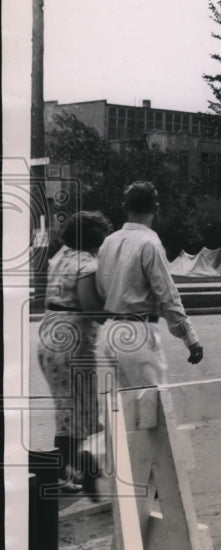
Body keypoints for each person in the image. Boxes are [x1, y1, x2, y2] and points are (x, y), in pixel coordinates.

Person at [96, 181, 204, 389]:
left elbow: (100, 288)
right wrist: (190, 337)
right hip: (139, 334)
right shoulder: (149, 243)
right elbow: (167, 296)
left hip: (111, 333)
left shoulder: (108, 242)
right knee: (154, 409)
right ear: (156, 208)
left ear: (124, 207)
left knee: (127, 411)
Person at [37, 211, 112, 495]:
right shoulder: (86, 263)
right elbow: (92, 308)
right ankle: (69, 472)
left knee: (67, 410)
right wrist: (123, 315)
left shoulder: (61, 256)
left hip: (49, 338)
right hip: (72, 344)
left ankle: (72, 470)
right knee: (77, 412)